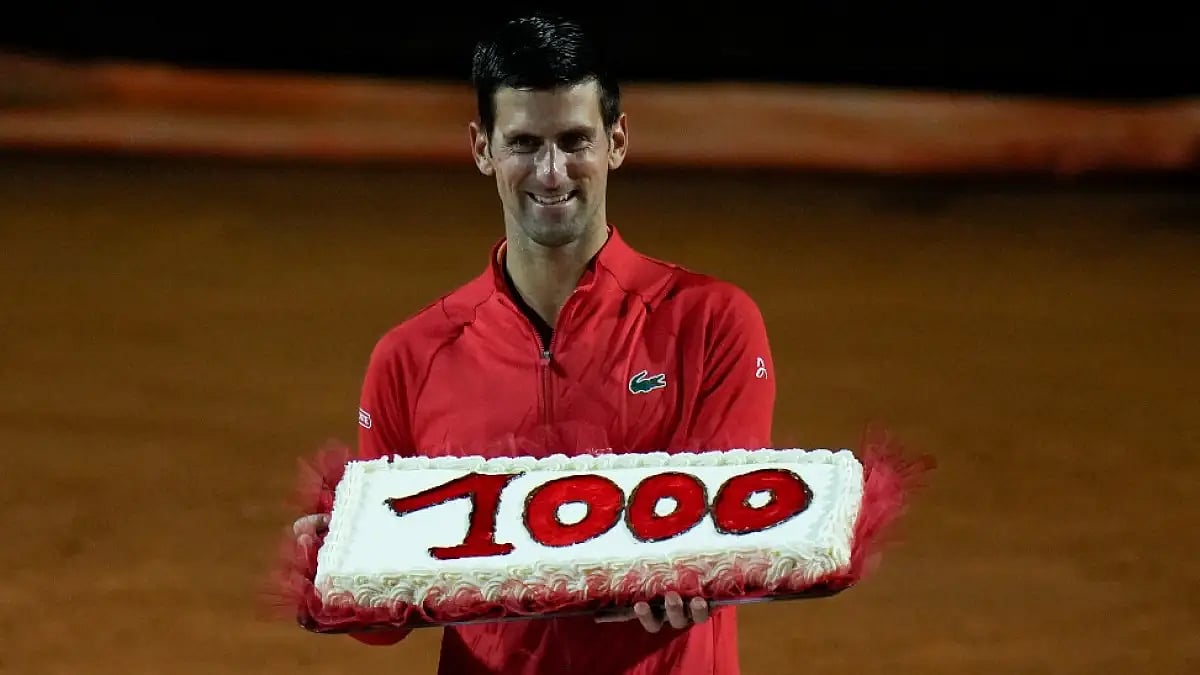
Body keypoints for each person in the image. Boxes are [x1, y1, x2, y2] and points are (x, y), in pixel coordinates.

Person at [294, 12, 776, 674]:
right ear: (481, 148)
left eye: (574, 140)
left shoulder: (713, 324)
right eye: (524, 143)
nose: (551, 173)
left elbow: (721, 539)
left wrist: (704, 574)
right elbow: (388, 620)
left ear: (618, 140)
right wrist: (341, 570)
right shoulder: (410, 359)